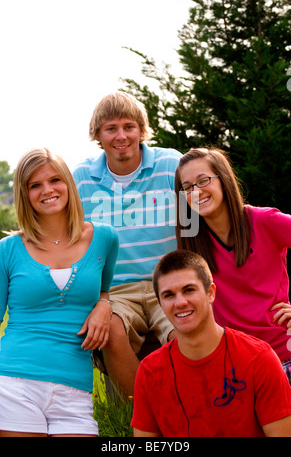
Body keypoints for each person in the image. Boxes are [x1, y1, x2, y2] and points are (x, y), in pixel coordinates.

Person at [0, 148, 119, 437]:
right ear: (24, 194)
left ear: (68, 182)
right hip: (13, 381)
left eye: (55, 180)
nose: (47, 190)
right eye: (35, 185)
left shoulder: (104, 238)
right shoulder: (8, 249)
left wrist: (104, 305)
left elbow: (104, 290)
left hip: (74, 388)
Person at [73, 91, 182, 397]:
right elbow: (67, 236)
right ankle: (139, 415)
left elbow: (199, 218)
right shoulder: (81, 177)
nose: (121, 136)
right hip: (116, 289)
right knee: (110, 331)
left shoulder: (170, 164)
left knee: (185, 329)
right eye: (111, 128)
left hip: (168, 280)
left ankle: (190, 410)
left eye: (129, 126)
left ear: (141, 130)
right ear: (98, 134)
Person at [131, 250, 291, 437]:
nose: (180, 302)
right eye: (169, 295)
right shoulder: (150, 371)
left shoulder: (258, 359)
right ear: (160, 303)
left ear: (211, 293)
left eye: (188, 290)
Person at [175, 147, 291, 384]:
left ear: (223, 180)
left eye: (203, 180)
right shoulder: (190, 246)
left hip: (284, 356)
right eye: (187, 187)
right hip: (236, 368)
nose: (196, 192)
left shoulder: (264, 220)